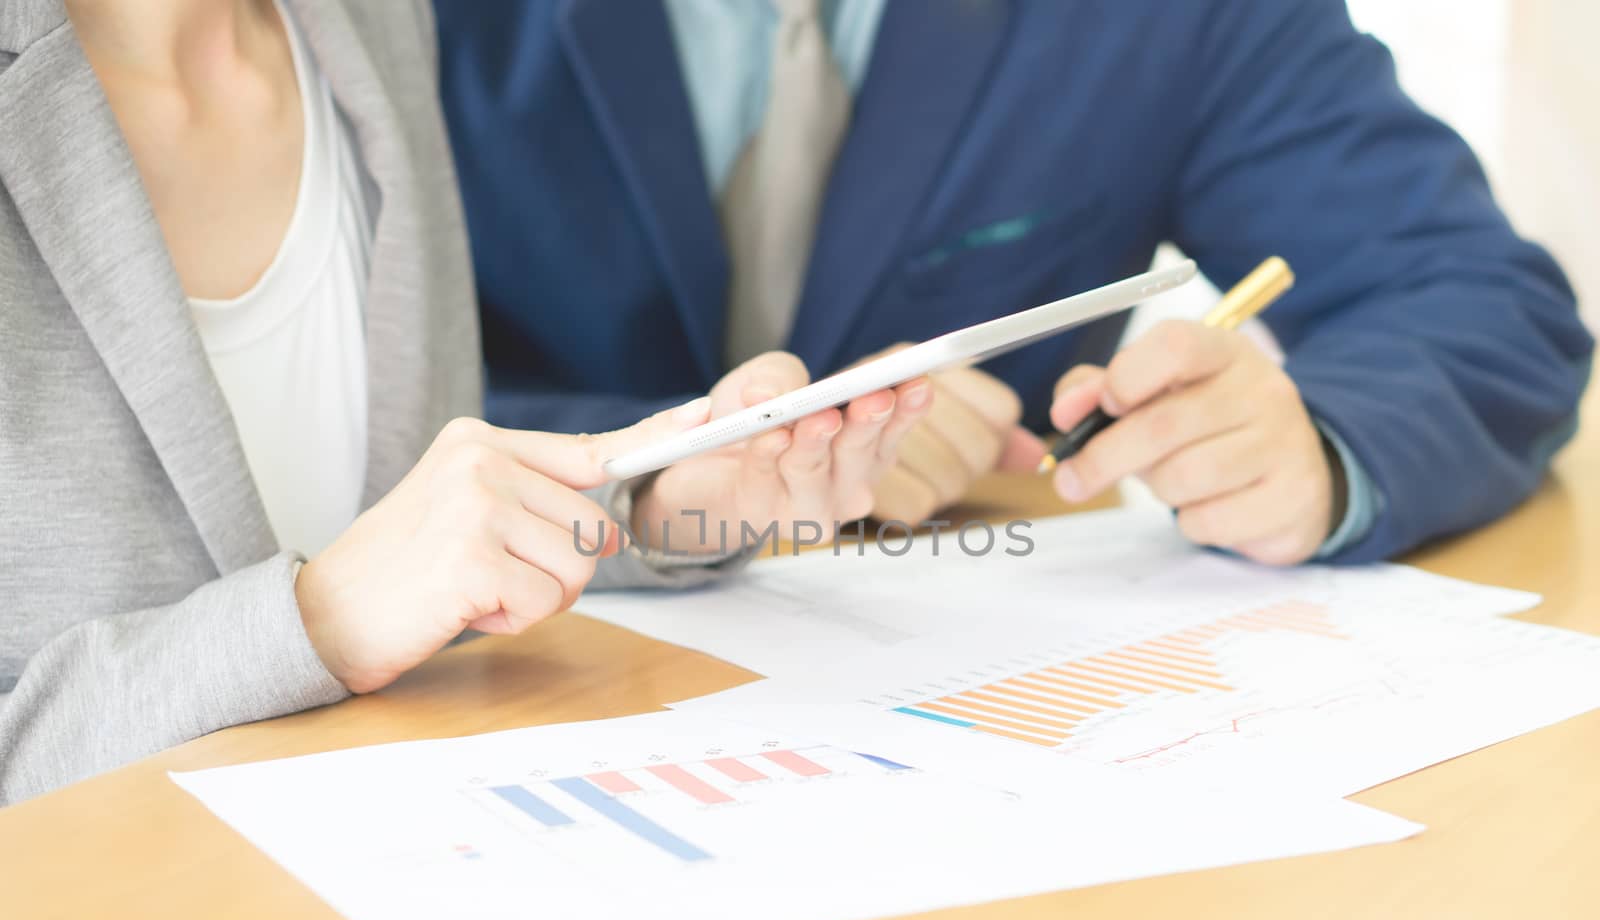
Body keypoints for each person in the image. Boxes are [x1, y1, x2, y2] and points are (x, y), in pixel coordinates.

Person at [0, 0, 928, 803]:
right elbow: (362, 594)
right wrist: (315, 621)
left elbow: (415, 540)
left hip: (403, 887)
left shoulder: (374, 26)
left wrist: (651, 500)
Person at [436, 0, 1594, 567]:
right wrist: (667, 466)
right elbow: (301, 395)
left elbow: (1481, 299)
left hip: (959, 721)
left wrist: (1318, 449)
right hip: (498, 670)